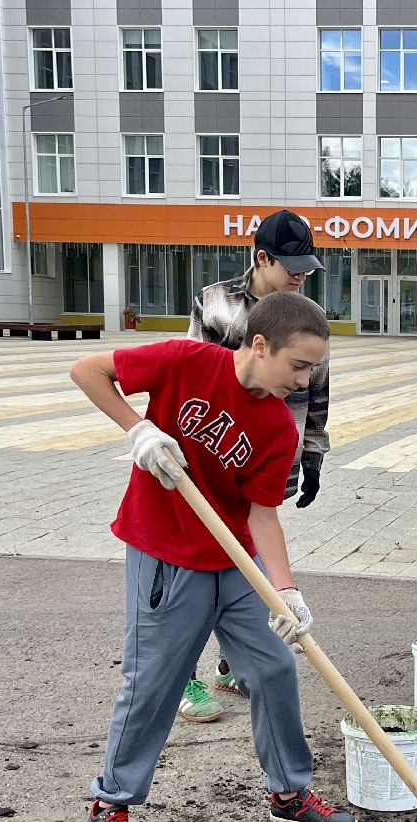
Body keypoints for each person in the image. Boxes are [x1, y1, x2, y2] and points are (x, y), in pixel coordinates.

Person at [71, 291, 356, 822]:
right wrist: (138, 430)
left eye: (312, 370)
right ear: (260, 345)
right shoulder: (185, 362)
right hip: (167, 554)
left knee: (274, 668)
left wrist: (286, 590)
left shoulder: (278, 427)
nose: (304, 381)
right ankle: (110, 802)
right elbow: (87, 370)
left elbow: (262, 515)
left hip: (237, 561)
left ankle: (289, 792)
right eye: (298, 365)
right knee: (154, 681)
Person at [175, 209, 329, 722]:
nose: (301, 276)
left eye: (307, 268)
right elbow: (193, 374)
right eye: (292, 267)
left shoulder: (307, 315)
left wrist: (313, 455)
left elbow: (318, 392)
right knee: (194, 573)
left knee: (250, 561)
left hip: (271, 460)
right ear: (262, 258)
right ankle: (181, 675)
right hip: (213, 459)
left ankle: (231, 662)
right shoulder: (216, 302)